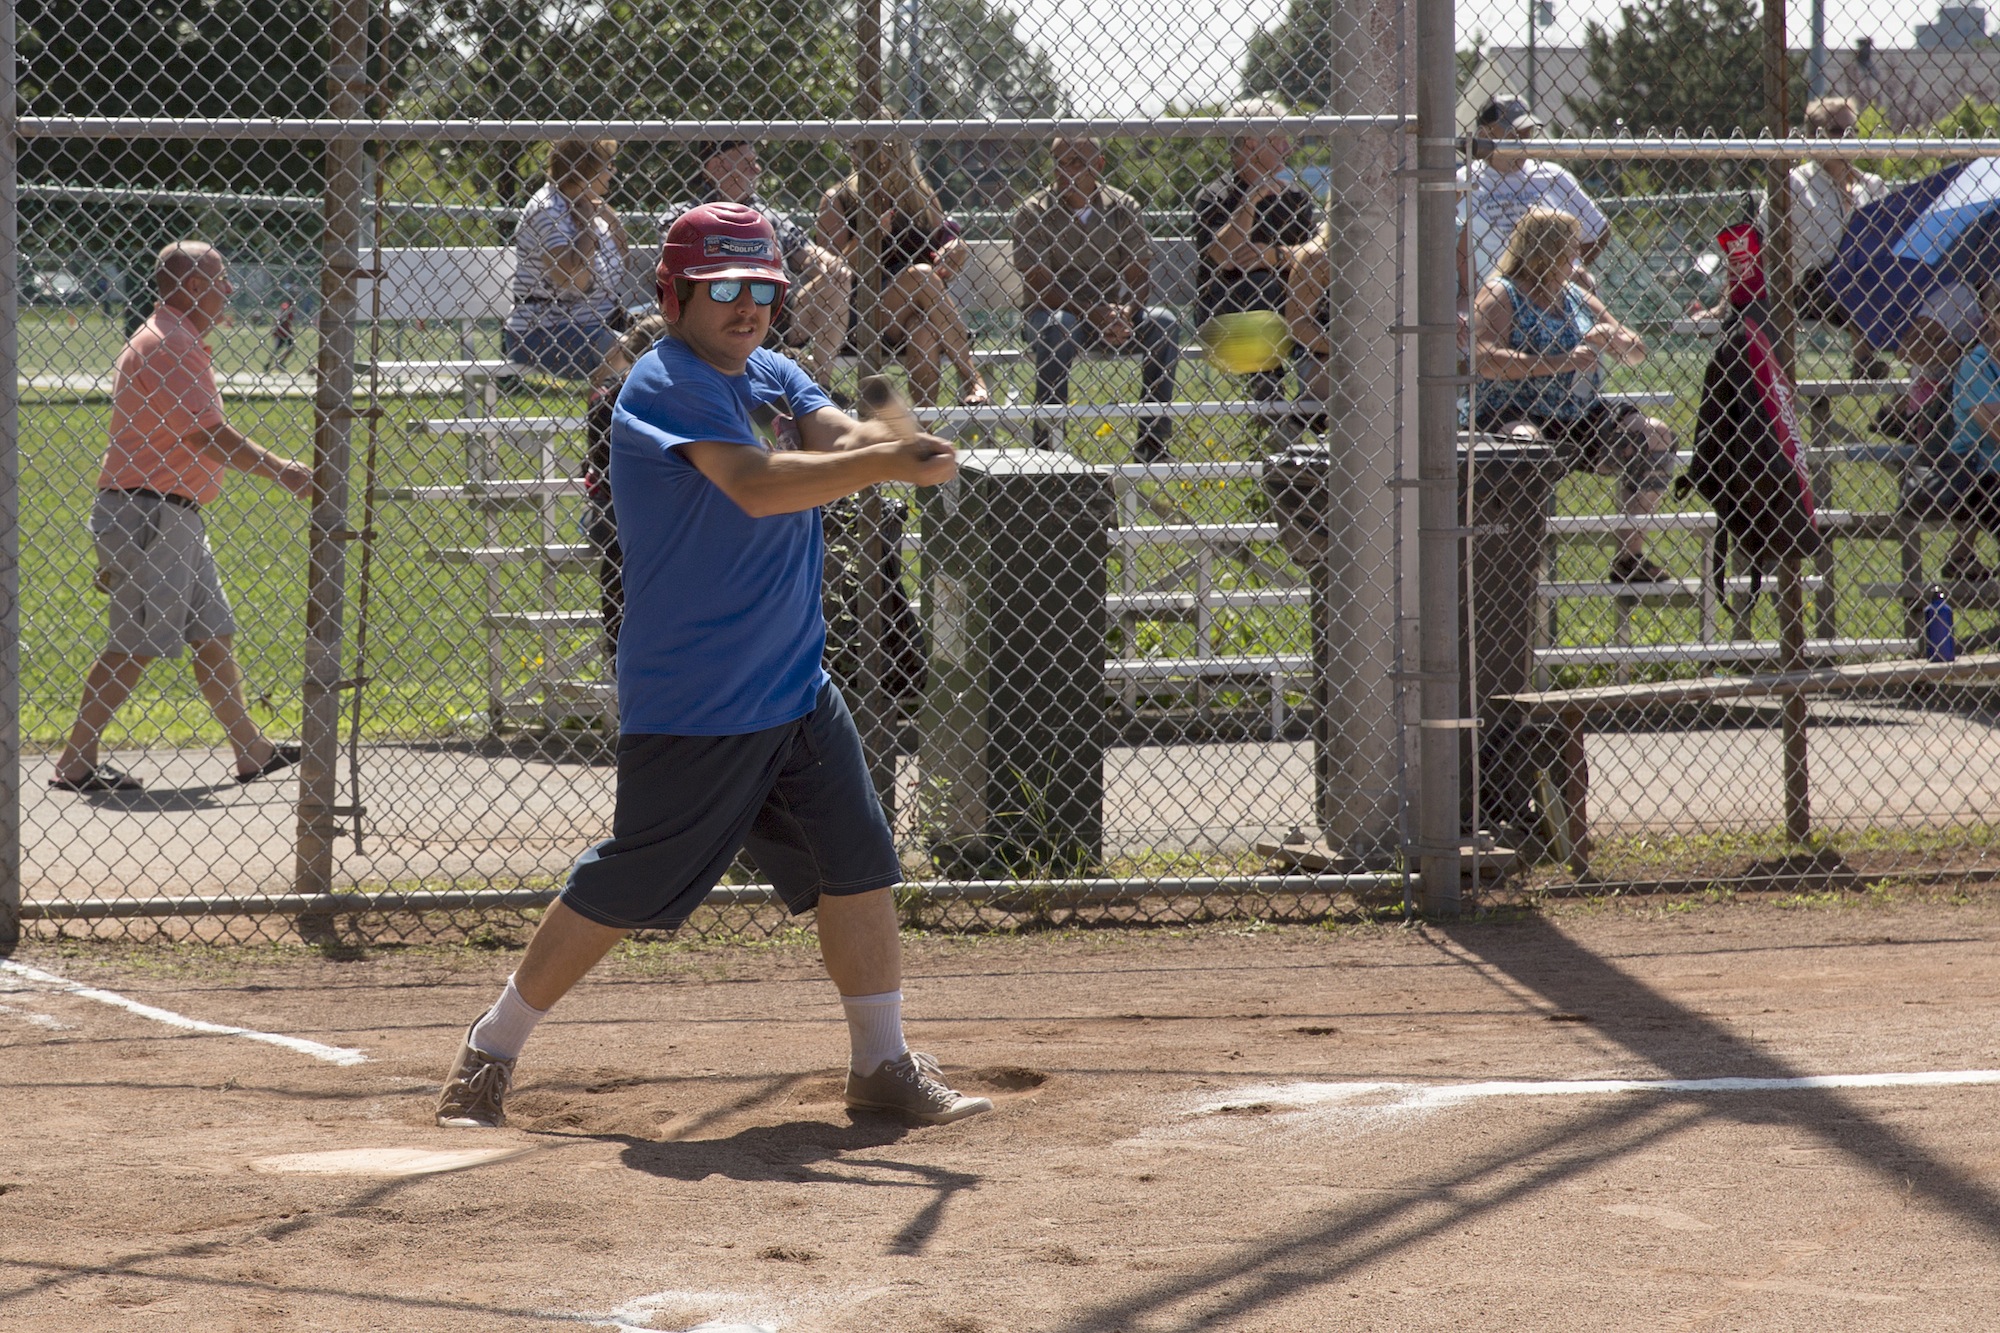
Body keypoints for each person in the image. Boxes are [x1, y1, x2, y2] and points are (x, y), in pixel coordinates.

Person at [435, 202, 991, 1130]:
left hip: (795, 684)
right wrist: (891, 464)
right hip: (699, 699)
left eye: (763, 290)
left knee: (859, 860)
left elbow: (832, 437)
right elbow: (759, 484)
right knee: (627, 884)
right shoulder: (666, 382)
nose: (747, 308)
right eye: (725, 289)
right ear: (680, 293)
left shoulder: (771, 370)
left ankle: (881, 1063)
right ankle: (489, 1051)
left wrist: (889, 442)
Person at [50, 241, 313, 793]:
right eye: (222, 280)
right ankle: (75, 762)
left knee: (213, 635)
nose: (230, 290)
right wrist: (283, 471)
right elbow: (207, 434)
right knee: (135, 643)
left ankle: (251, 750)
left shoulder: (177, 338)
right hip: (149, 514)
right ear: (193, 287)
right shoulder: (170, 345)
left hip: (171, 515)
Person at [1471, 208, 1678, 585]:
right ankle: (1517, 564)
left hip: (1580, 415)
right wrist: (1555, 362)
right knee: (1524, 445)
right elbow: (1484, 358)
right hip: (1516, 409)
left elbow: (1637, 350)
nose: (1576, 261)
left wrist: (1613, 339)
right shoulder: (1502, 292)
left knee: (1655, 436)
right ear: (1542, 253)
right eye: (1569, 251)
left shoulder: (1576, 295)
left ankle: (1629, 557)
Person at [1011, 135, 1180, 460]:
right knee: (1059, 327)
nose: (1066, 170)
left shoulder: (1122, 207)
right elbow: (1039, 285)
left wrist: (1126, 312)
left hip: (1112, 317)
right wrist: (1093, 312)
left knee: (1164, 323)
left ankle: (1152, 441)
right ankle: (1048, 445)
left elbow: (1138, 275)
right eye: (1060, 162)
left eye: (1077, 162)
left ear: (1099, 165)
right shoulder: (1034, 211)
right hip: (1051, 315)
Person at [660, 140, 852, 387]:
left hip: (773, 307)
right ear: (718, 166)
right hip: (718, 305)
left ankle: (821, 387)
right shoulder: (684, 215)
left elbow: (805, 251)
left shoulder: (767, 215)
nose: (758, 169)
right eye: (749, 162)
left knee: (838, 278)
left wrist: (828, 263)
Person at [817, 140, 990, 407]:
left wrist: (955, 249)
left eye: (866, 144)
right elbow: (829, 273)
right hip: (857, 314)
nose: (856, 152)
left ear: (896, 148)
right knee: (922, 276)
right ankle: (971, 376)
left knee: (922, 331)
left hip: (917, 313)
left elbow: (945, 241)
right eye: (852, 146)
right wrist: (867, 238)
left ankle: (925, 430)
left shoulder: (922, 195)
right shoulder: (838, 199)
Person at [1191, 98, 1319, 408]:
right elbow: (1223, 255)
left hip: (1294, 303)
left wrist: (1275, 256)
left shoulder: (1295, 198)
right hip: (1227, 313)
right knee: (1263, 283)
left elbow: (1318, 251)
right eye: (1280, 139)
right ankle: (1268, 393)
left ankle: (1310, 415)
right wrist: (1251, 201)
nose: (1289, 148)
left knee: (1313, 290)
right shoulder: (1215, 195)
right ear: (1251, 142)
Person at [582, 312, 671, 668]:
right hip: (619, 512)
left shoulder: (606, 400)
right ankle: (625, 652)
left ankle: (622, 651)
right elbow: (602, 474)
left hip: (622, 513)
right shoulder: (609, 403)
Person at [502, 138, 632, 380]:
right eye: (608, 164)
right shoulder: (548, 210)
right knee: (630, 350)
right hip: (544, 331)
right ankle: (602, 413)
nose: (613, 171)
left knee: (657, 337)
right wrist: (588, 228)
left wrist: (608, 218)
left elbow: (624, 261)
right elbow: (576, 281)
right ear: (585, 170)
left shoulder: (586, 204)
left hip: (599, 323)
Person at [1457, 94, 1609, 299]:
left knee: (1582, 277)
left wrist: (1563, 267)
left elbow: (1599, 229)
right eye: (1513, 136)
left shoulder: (1551, 175)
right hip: (1499, 296)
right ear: (1485, 135)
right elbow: (1456, 245)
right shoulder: (1465, 180)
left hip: (1551, 295)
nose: (1523, 144)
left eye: (1526, 135)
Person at [266, 298, 297, 372]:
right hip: (281, 332)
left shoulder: (290, 308)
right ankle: (268, 364)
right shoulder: (286, 307)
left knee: (291, 347)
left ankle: (279, 362)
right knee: (277, 349)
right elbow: (280, 319)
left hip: (286, 332)